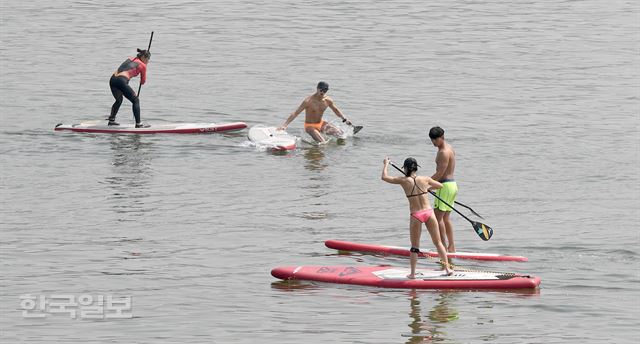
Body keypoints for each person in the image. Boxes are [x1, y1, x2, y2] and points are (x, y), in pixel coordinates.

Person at [382, 157, 453, 278]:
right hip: (429, 213)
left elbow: (384, 177)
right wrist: (427, 188)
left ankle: (413, 274)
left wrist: (386, 164)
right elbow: (440, 186)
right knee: (438, 242)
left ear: (405, 168)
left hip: (416, 215)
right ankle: (447, 268)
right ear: (416, 168)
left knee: (415, 246)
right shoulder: (425, 179)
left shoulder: (403, 180)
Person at [278, 81, 352, 143]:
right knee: (323, 143)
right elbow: (296, 113)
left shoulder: (328, 100)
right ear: (317, 89)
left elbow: (336, 110)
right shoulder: (308, 101)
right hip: (310, 126)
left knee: (341, 135)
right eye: (321, 90)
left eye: (325, 90)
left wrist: (345, 119)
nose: (323, 92)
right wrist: (284, 125)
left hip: (320, 123)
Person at [429, 126, 458, 253]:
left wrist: (425, 183)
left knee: (437, 218)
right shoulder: (450, 148)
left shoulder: (443, 152)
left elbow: (440, 173)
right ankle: (451, 247)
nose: (433, 142)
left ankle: (443, 249)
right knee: (446, 218)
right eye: (432, 140)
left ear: (442, 138)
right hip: (452, 186)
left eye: (435, 140)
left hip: (444, 186)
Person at [107, 48, 151, 128]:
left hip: (113, 79)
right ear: (144, 58)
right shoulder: (143, 65)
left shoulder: (130, 58)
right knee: (136, 100)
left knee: (119, 100)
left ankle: (111, 120)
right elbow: (143, 82)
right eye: (148, 59)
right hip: (121, 81)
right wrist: (142, 71)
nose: (148, 61)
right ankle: (138, 124)